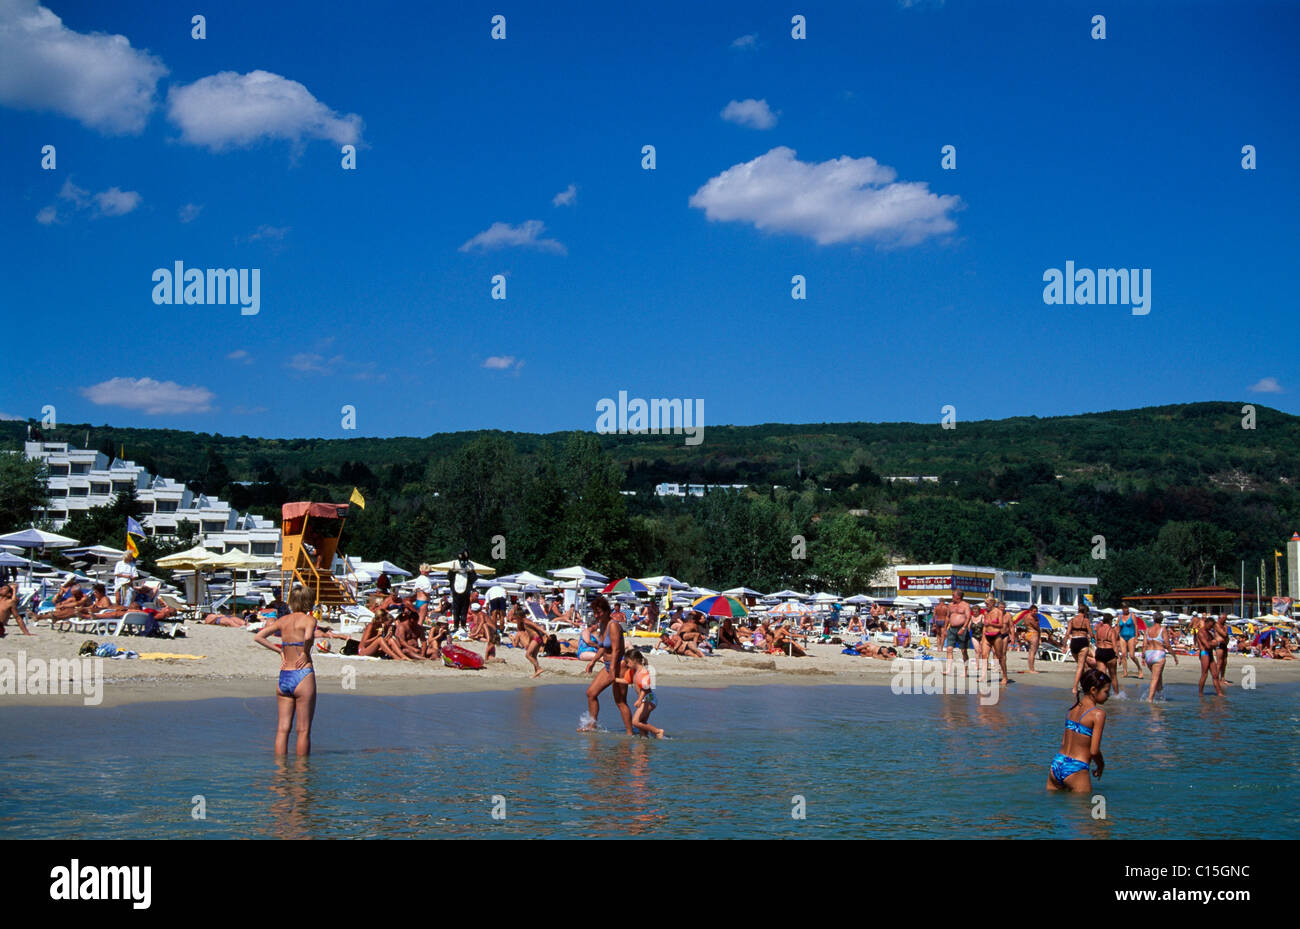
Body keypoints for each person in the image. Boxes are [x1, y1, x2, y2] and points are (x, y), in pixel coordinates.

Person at [253, 587, 318, 756]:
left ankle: (280, 772)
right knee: (303, 730)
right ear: (309, 602)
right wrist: (305, 651)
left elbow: (258, 637)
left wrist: (279, 651)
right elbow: (309, 636)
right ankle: (301, 775)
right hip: (302, 674)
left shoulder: (283, 620)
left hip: (284, 675)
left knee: (282, 729)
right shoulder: (309, 620)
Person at [1046, 668, 1109, 793]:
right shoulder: (1098, 714)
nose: (1108, 696)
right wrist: (1101, 766)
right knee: (1082, 812)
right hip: (1076, 767)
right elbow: (1094, 751)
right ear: (1093, 690)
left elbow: (1064, 742)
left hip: (1057, 763)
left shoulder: (1071, 710)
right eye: (1106, 692)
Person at [581, 595, 633, 734]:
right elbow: (603, 647)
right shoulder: (602, 625)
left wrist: (612, 669)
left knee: (620, 701)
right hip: (609, 664)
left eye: (599, 612)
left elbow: (616, 649)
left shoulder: (613, 625)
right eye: (595, 613)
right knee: (591, 693)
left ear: (606, 611)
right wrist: (593, 661)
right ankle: (592, 726)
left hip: (619, 665)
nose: (596, 615)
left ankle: (629, 734)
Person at [624, 650, 664, 738]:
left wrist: (639, 700)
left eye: (628, 662)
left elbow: (645, 688)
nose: (626, 664)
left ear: (634, 660)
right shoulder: (634, 672)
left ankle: (657, 731)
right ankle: (643, 743)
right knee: (642, 723)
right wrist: (614, 679)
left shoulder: (644, 672)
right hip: (645, 699)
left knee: (635, 722)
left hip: (649, 699)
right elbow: (626, 681)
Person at [1142, 612, 1178, 701]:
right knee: (1155, 678)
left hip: (1149, 654)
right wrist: (1174, 656)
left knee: (1158, 676)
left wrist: (1143, 657)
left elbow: (1144, 644)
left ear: (1153, 619)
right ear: (1162, 620)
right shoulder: (1163, 629)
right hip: (1158, 654)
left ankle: (1160, 696)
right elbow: (1168, 645)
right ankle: (1150, 699)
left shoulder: (1147, 630)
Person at [980, 597, 1010, 684]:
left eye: (988, 604)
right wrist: (983, 637)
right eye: (985, 604)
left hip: (996, 635)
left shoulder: (998, 612)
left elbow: (1001, 625)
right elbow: (985, 626)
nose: (986, 606)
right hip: (987, 636)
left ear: (993, 603)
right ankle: (983, 676)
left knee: (1000, 657)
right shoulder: (986, 612)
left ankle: (1005, 676)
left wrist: (990, 623)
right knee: (984, 656)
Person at [1196, 613, 1226, 696]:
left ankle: (1219, 693)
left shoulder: (1209, 633)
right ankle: (1200, 693)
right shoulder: (1201, 632)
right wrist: (1215, 642)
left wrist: (1215, 642)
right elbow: (1207, 645)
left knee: (1215, 675)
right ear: (1206, 623)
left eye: (1212, 626)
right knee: (1204, 674)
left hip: (1210, 653)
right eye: (1210, 625)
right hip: (1204, 653)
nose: (1211, 627)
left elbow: (1214, 643)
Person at [943, 590, 972, 675]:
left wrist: (963, 628)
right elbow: (948, 617)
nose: (952, 596)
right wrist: (945, 628)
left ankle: (965, 671)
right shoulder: (950, 605)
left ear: (958, 596)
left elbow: (968, 617)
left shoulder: (965, 605)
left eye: (953, 595)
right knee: (949, 649)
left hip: (961, 628)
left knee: (963, 651)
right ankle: (948, 670)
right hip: (952, 629)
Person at [1093, 613, 1122, 696]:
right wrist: (1118, 656)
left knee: (1102, 676)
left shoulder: (1098, 630)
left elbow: (1096, 643)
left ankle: (1100, 693)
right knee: (1113, 676)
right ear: (1110, 621)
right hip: (1109, 652)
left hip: (1099, 651)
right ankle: (1117, 695)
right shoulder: (1111, 630)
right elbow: (1114, 645)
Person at [1067, 604, 1093, 693]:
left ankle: (1083, 684)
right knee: (1080, 666)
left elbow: (1067, 633)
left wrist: (1064, 645)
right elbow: (1091, 633)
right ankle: (1075, 687)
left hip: (1073, 642)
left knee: (1082, 665)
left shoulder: (1072, 620)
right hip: (1082, 641)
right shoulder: (1086, 620)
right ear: (1085, 612)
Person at [447, 551, 476, 633]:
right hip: (456, 592)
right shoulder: (455, 572)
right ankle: (456, 625)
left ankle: (463, 625)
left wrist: (471, 571)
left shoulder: (468, 571)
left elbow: (473, 578)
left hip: (465, 593)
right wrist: (452, 570)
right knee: (456, 609)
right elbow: (449, 577)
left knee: (464, 609)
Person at [1116, 605, 1142, 679]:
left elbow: (1136, 626)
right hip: (1122, 636)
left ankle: (1139, 669)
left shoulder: (1132, 615)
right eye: (1124, 608)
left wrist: (1136, 637)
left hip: (1131, 636)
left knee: (1132, 655)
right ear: (1122, 609)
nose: (1126, 609)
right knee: (1123, 654)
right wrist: (1116, 638)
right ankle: (1125, 672)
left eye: (1127, 608)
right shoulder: (1119, 617)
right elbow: (1118, 628)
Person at [1015, 604, 1041, 673]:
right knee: (1032, 652)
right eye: (1034, 611)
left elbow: (1023, 623)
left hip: (1028, 633)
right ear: (1030, 611)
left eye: (1036, 611)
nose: (1035, 613)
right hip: (1033, 634)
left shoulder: (1025, 616)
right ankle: (1032, 669)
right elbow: (1036, 627)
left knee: (1030, 652)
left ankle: (1031, 668)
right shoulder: (1032, 618)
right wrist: (1037, 621)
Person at [1214, 613, 1232, 685]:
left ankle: (1222, 678)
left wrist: (1225, 633)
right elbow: (1224, 634)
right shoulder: (1216, 625)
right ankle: (1216, 678)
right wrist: (1225, 633)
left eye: (1226, 618)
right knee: (1219, 662)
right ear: (1220, 618)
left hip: (1224, 644)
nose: (1225, 620)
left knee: (1224, 662)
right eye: (1224, 618)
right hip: (1219, 645)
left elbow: (1226, 634)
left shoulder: (1225, 626)